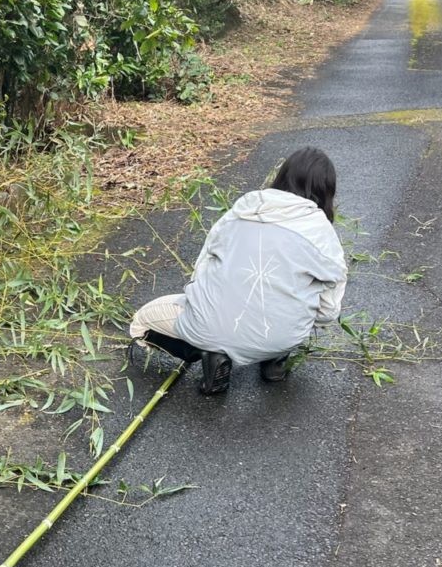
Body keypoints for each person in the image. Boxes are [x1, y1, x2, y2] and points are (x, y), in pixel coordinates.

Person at [128, 147, 346, 395]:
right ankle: (274, 359)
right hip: (283, 334)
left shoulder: (240, 212)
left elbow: (201, 272)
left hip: (212, 325)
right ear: (327, 191)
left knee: (141, 322)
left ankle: (211, 350)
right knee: (287, 305)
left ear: (282, 176)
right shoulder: (323, 233)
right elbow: (328, 311)